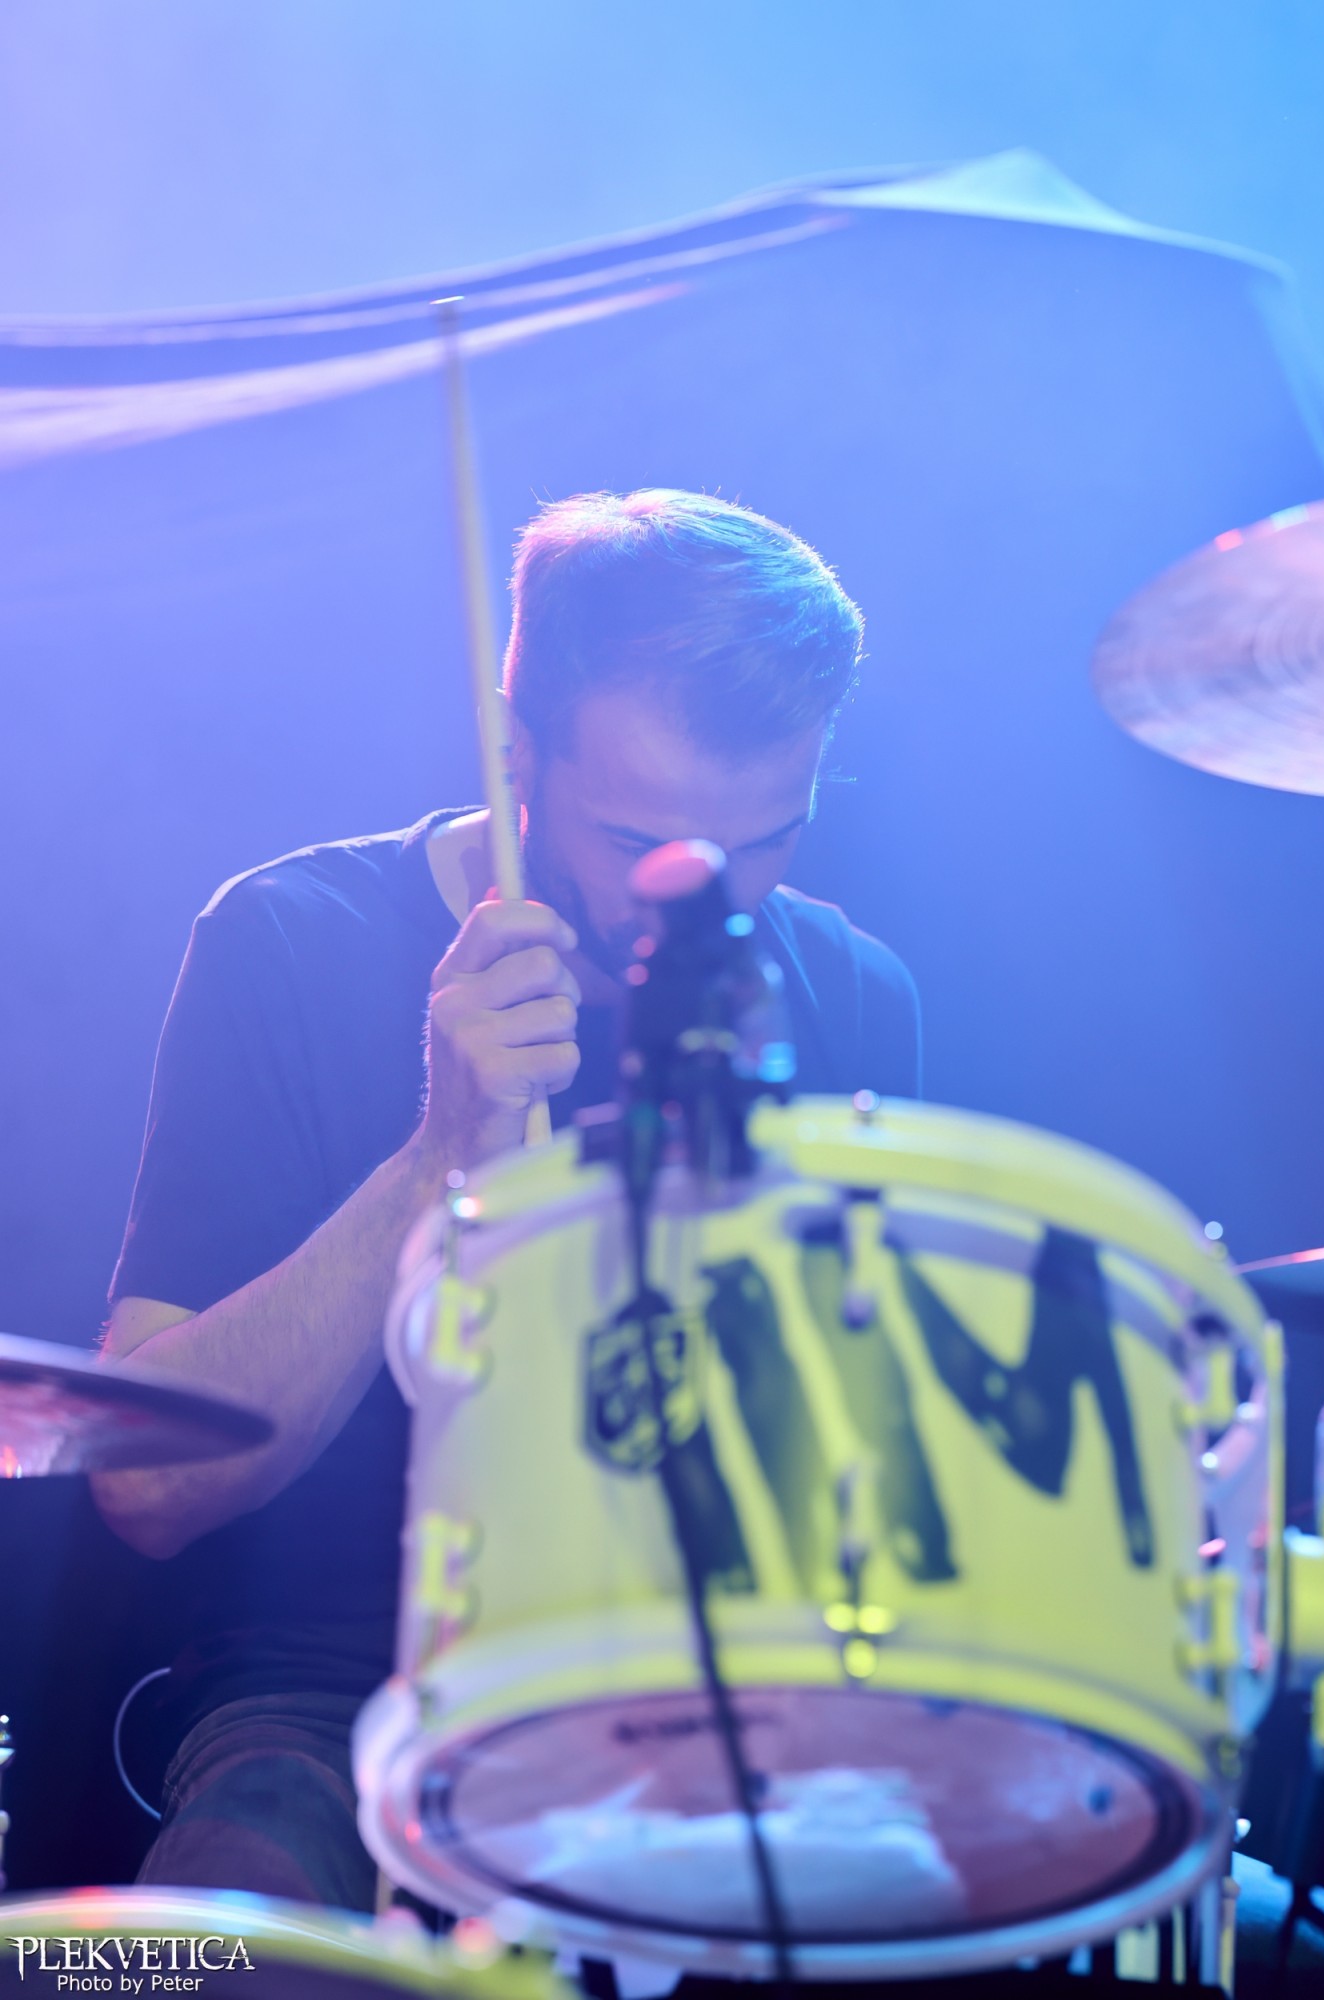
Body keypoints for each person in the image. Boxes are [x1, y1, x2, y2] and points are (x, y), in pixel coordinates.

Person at [91, 488, 921, 1911]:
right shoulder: (289, 940)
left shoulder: (851, 994)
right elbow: (148, 1489)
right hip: (340, 1700)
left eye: (764, 844)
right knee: (215, 1958)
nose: (706, 903)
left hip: (722, 1703)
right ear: (514, 748)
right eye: (639, 842)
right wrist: (442, 1155)